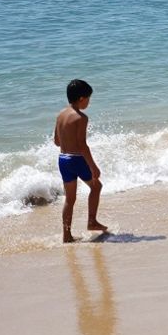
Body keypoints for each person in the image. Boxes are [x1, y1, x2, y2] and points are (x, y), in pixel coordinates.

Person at [54, 79, 107, 243]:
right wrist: (93, 166)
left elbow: (56, 141)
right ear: (82, 98)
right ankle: (91, 221)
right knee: (97, 186)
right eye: (89, 99)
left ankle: (67, 235)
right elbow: (82, 146)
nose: (89, 102)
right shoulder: (81, 117)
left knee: (70, 199)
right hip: (77, 159)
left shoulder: (61, 115)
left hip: (63, 159)